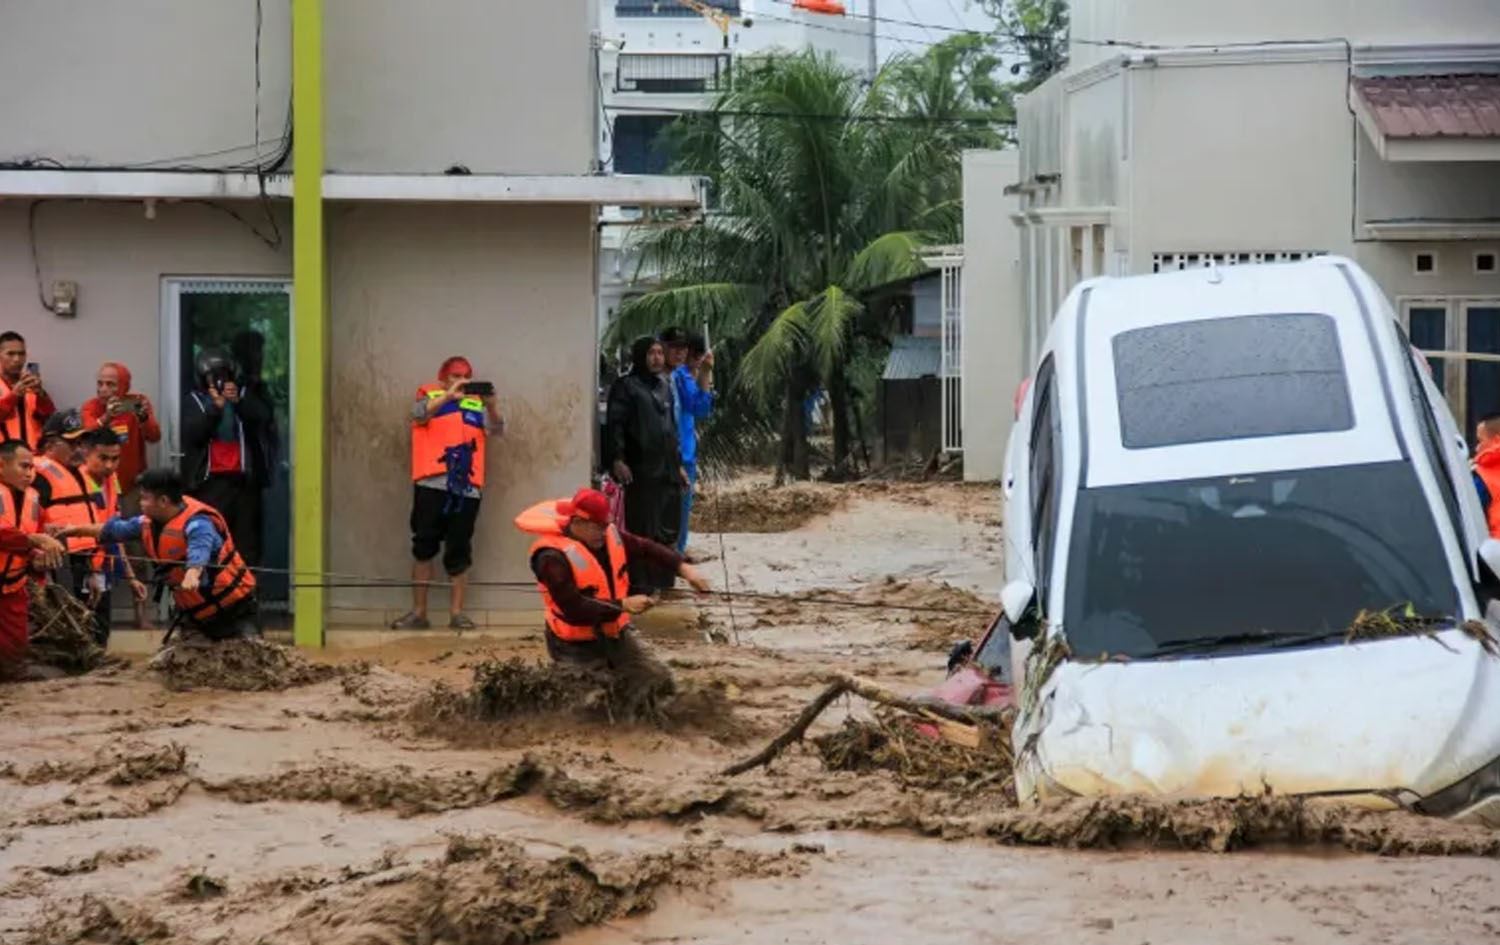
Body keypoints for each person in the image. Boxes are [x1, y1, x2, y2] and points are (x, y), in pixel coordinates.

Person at [515, 487, 709, 716]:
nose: (603, 532)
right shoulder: (551, 558)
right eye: (597, 526)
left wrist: (684, 569)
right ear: (578, 522)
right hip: (573, 645)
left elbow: (646, 548)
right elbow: (574, 608)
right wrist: (623, 605)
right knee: (592, 706)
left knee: (658, 681)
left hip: (614, 634)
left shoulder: (609, 536)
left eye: (606, 525)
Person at [59, 468, 259, 642]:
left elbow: (200, 548)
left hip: (234, 612)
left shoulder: (199, 523)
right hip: (196, 618)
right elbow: (112, 530)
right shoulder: (146, 523)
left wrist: (193, 573)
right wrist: (72, 530)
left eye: (145, 498)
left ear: (163, 501)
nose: (140, 503)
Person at [390, 356, 504, 630]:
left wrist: (492, 406)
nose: (462, 380)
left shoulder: (476, 403)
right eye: (455, 375)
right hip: (431, 484)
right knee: (423, 547)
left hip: (467, 488)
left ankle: (457, 614)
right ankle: (419, 613)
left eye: (466, 376)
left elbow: (497, 430)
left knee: (460, 549)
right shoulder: (429, 395)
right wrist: (447, 397)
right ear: (443, 378)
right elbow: (418, 415)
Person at [41, 429, 144, 646]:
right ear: (86, 453)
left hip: (102, 565)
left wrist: (131, 577)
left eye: (115, 459)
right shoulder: (76, 482)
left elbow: (115, 531)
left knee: (100, 631)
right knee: (78, 631)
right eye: (103, 458)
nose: (109, 465)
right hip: (77, 566)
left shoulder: (111, 480)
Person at [181, 349, 274, 566]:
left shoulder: (243, 395)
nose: (219, 380)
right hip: (209, 483)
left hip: (243, 481)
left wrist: (239, 401)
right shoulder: (194, 400)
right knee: (211, 538)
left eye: (224, 374)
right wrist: (215, 409)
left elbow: (263, 417)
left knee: (246, 542)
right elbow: (193, 435)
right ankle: (212, 583)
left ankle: (246, 584)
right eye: (213, 375)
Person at [605, 336, 683, 592]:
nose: (657, 358)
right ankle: (641, 585)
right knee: (642, 529)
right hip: (641, 469)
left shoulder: (665, 386)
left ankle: (665, 583)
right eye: (651, 353)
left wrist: (678, 465)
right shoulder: (626, 386)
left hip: (667, 470)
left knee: (668, 528)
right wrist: (617, 458)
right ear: (640, 356)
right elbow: (615, 425)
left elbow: (671, 428)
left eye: (660, 352)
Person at [0, 440, 67, 676]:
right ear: (2, 465)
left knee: (15, 652)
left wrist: (37, 556)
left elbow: (34, 536)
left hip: (13, 587)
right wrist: (34, 541)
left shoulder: (34, 499)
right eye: (24, 466)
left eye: (32, 467)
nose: (30, 473)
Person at [662, 328, 715, 555]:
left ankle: (676, 554)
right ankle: (674, 556)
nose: (694, 358)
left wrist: (703, 375)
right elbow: (698, 407)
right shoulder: (680, 376)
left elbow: (700, 409)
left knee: (681, 513)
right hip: (678, 455)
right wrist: (704, 375)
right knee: (676, 514)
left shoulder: (682, 376)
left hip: (685, 453)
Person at [81, 361, 161, 495]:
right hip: (99, 483)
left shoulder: (136, 403)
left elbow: (154, 437)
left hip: (131, 485)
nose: (103, 389)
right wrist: (107, 417)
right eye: (100, 383)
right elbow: (86, 437)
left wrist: (144, 419)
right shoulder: (91, 406)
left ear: (124, 386)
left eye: (110, 384)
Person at [0, 331, 56, 448]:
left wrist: (40, 394)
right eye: (10, 354)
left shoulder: (30, 382)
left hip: (33, 453)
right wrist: (13, 396)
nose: (17, 359)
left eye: (21, 354)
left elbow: (50, 418)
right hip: (4, 455)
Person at [1474, 414, 1500, 539]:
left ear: (1496, 440)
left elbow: (1468, 512)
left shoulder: (1484, 476)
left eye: (1481, 441)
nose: (1477, 448)